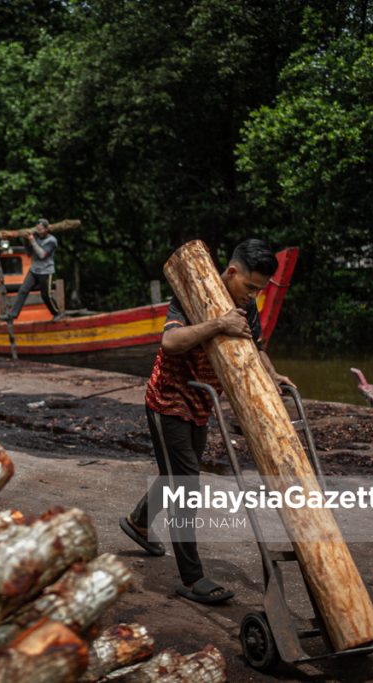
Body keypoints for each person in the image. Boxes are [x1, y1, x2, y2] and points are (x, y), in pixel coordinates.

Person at [119, 238, 295, 604]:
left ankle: (138, 521)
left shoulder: (246, 306)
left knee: (176, 474)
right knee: (185, 485)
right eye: (249, 287)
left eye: (258, 290)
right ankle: (191, 578)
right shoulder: (192, 293)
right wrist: (218, 324)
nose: (252, 296)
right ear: (231, 272)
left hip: (200, 403)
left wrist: (274, 376)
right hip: (167, 402)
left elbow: (256, 348)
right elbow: (170, 342)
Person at [0, 218, 61, 321]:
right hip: (34, 270)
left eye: (41, 230)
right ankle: (12, 316)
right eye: (37, 229)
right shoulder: (35, 236)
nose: (39, 232)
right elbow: (29, 254)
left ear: (46, 229)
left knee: (45, 296)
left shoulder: (52, 241)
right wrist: (25, 241)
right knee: (23, 290)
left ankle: (56, 313)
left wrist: (32, 240)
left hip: (46, 272)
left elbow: (42, 255)